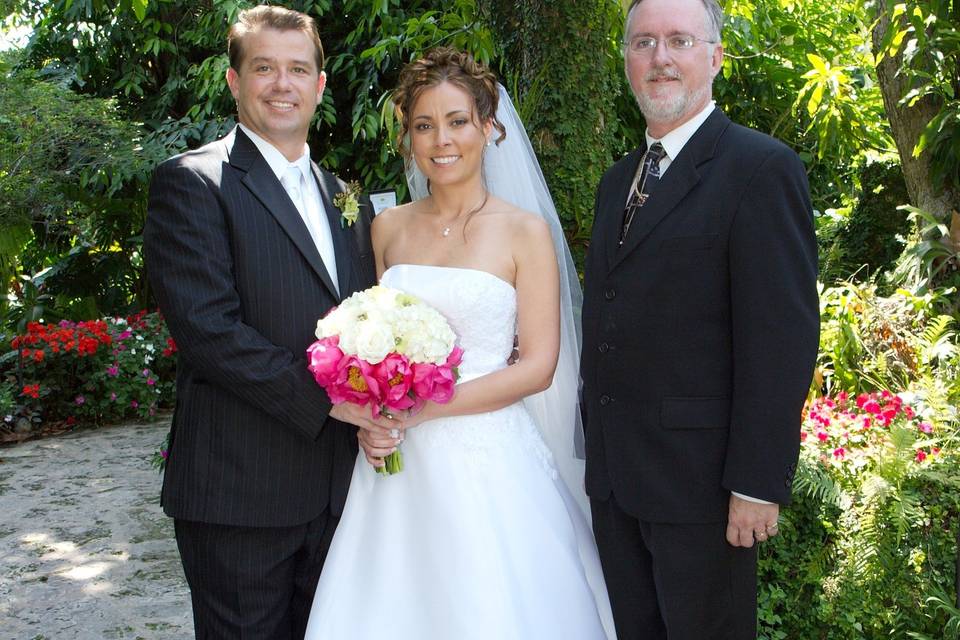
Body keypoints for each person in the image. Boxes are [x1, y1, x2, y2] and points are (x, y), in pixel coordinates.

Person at [304, 47, 616, 640]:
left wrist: (423, 408)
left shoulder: (525, 231)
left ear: (488, 129)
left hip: (491, 458)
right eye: (424, 125)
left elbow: (539, 367)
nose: (441, 140)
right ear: (407, 138)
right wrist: (374, 413)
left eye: (457, 121)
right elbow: (371, 341)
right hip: (397, 463)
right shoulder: (387, 228)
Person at [143, 6, 396, 638]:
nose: (281, 84)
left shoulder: (349, 196)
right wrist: (335, 404)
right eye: (263, 68)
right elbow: (210, 333)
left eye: (297, 69)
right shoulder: (192, 183)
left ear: (320, 84)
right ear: (234, 81)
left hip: (343, 492)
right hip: (240, 493)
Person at [580, 0, 819, 638]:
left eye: (680, 41)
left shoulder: (761, 169)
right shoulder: (616, 182)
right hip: (616, 483)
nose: (660, 58)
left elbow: (782, 341)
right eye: (644, 43)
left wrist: (757, 482)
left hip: (705, 489)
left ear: (715, 57)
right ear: (627, 61)